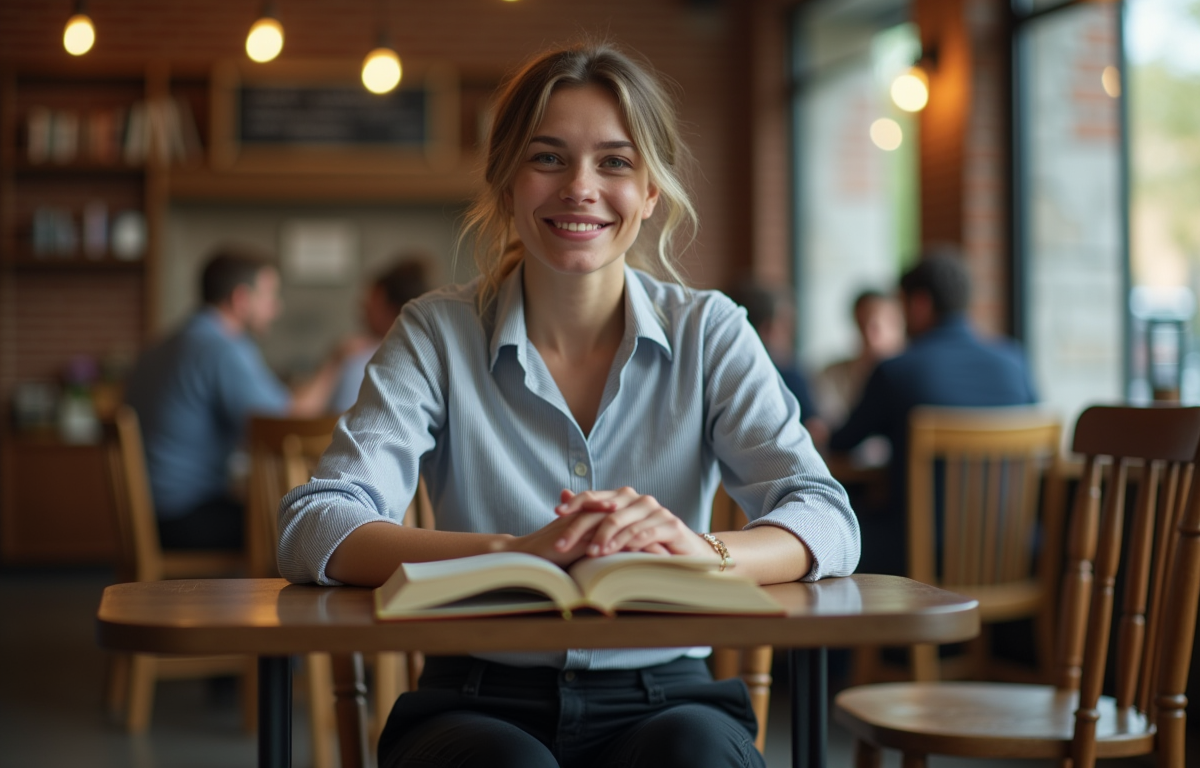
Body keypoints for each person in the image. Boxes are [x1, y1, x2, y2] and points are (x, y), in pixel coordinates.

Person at [278, 42, 859, 768]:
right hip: (475, 698)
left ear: (650, 192)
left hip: (672, 696)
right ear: (506, 180)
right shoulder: (436, 330)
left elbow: (825, 515)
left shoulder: (710, 331)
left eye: (614, 162)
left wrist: (702, 553)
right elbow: (315, 524)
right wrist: (512, 557)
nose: (580, 187)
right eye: (548, 158)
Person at [828, 248, 1037, 575]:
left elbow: (841, 443)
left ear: (920, 304)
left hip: (923, 555)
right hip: (1011, 552)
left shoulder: (896, 371)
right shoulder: (1015, 363)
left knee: (835, 533)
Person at [125, 250, 345, 551]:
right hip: (184, 517)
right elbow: (287, 423)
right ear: (241, 299)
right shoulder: (221, 348)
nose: (275, 308)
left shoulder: (167, 343)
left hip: (154, 512)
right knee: (304, 525)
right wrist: (335, 361)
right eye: (269, 296)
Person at [328, 256, 433, 413]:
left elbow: (335, 422)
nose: (362, 307)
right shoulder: (433, 358)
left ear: (391, 308)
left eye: (371, 300)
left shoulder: (357, 360)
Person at [726, 280, 821, 432]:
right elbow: (816, 430)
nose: (789, 333)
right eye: (784, 324)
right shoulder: (789, 377)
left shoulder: (715, 372)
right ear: (767, 329)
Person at [814, 289, 904, 430]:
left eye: (876, 325)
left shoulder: (908, 378)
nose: (868, 334)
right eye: (862, 324)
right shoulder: (831, 375)